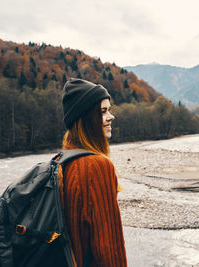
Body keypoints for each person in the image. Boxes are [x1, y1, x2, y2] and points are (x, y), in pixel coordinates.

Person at [59, 78, 127, 266]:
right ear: (87, 118)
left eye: (109, 110)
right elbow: (110, 252)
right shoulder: (96, 167)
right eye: (103, 111)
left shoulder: (61, 163)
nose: (111, 116)